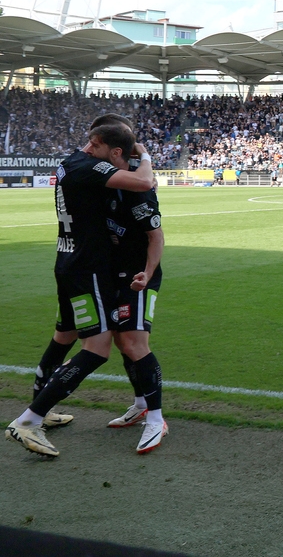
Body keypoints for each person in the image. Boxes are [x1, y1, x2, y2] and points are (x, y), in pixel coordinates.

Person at [5, 120, 155, 457]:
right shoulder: (88, 166)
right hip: (88, 268)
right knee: (97, 349)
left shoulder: (70, 162)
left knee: (64, 336)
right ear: (100, 144)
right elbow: (144, 181)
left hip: (66, 260)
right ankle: (30, 420)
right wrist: (144, 155)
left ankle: (40, 406)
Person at [102, 124, 168, 454]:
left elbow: (156, 237)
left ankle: (156, 419)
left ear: (117, 151)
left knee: (134, 342)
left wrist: (148, 272)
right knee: (121, 341)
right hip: (115, 274)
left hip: (139, 275)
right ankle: (141, 403)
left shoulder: (139, 188)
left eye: (96, 144)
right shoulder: (105, 179)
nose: (91, 150)